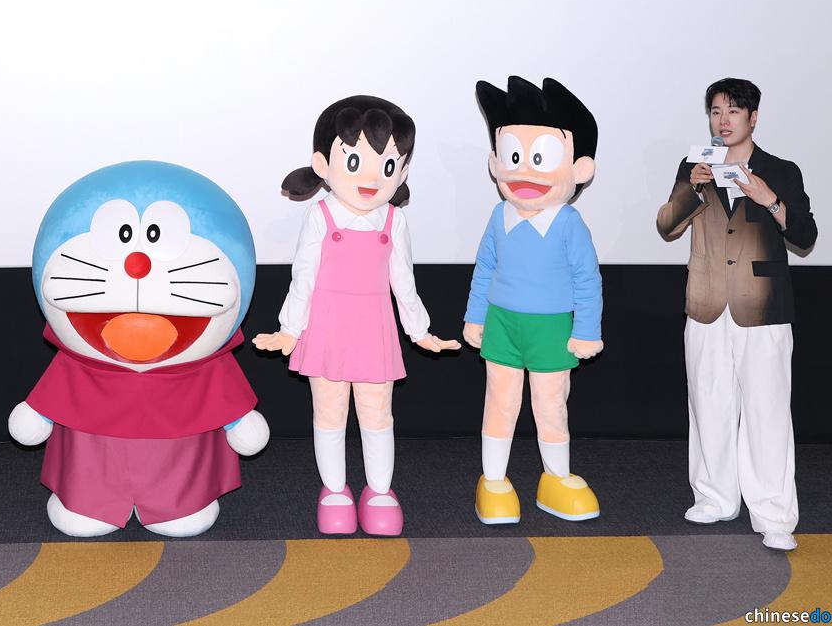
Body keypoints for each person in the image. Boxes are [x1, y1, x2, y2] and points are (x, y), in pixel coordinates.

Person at [255, 96, 459, 536]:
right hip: (325, 331)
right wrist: (289, 330)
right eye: (354, 161)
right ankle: (334, 491)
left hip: (374, 333)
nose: (371, 178)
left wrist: (419, 330)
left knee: (377, 414)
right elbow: (303, 276)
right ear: (323, 164)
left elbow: (404, 281)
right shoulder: (319, 216)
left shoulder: (394, 221)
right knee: (329, 414)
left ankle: (380, 491)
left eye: (387, 166)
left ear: (402, 172)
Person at [657, 77, 817, 551]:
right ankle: (715, 497)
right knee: (708, 403)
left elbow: (805, 236)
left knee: (767, 410)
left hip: (762, 306)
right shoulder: (695, 166)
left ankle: (773, 513)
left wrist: (769, 199)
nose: (723, 121)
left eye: (732, 111)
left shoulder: (781, 170)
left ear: (753, 117)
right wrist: (691, 188)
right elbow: (667, 225)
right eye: (715, 112)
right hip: (706, 302)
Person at [463, 76, 603, 525]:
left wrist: (587, 331)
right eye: (514, 156)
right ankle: (493, 480)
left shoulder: (568, 222)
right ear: (496, 161)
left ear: (579, 168)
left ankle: (556, 478)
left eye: (539, 158)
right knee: (500, 403)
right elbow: (485, 267)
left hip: (552, 329)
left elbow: (587, 280)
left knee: (550, 405)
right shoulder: (498, 215)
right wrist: (474, 316)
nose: (524, 171)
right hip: (502, 324)